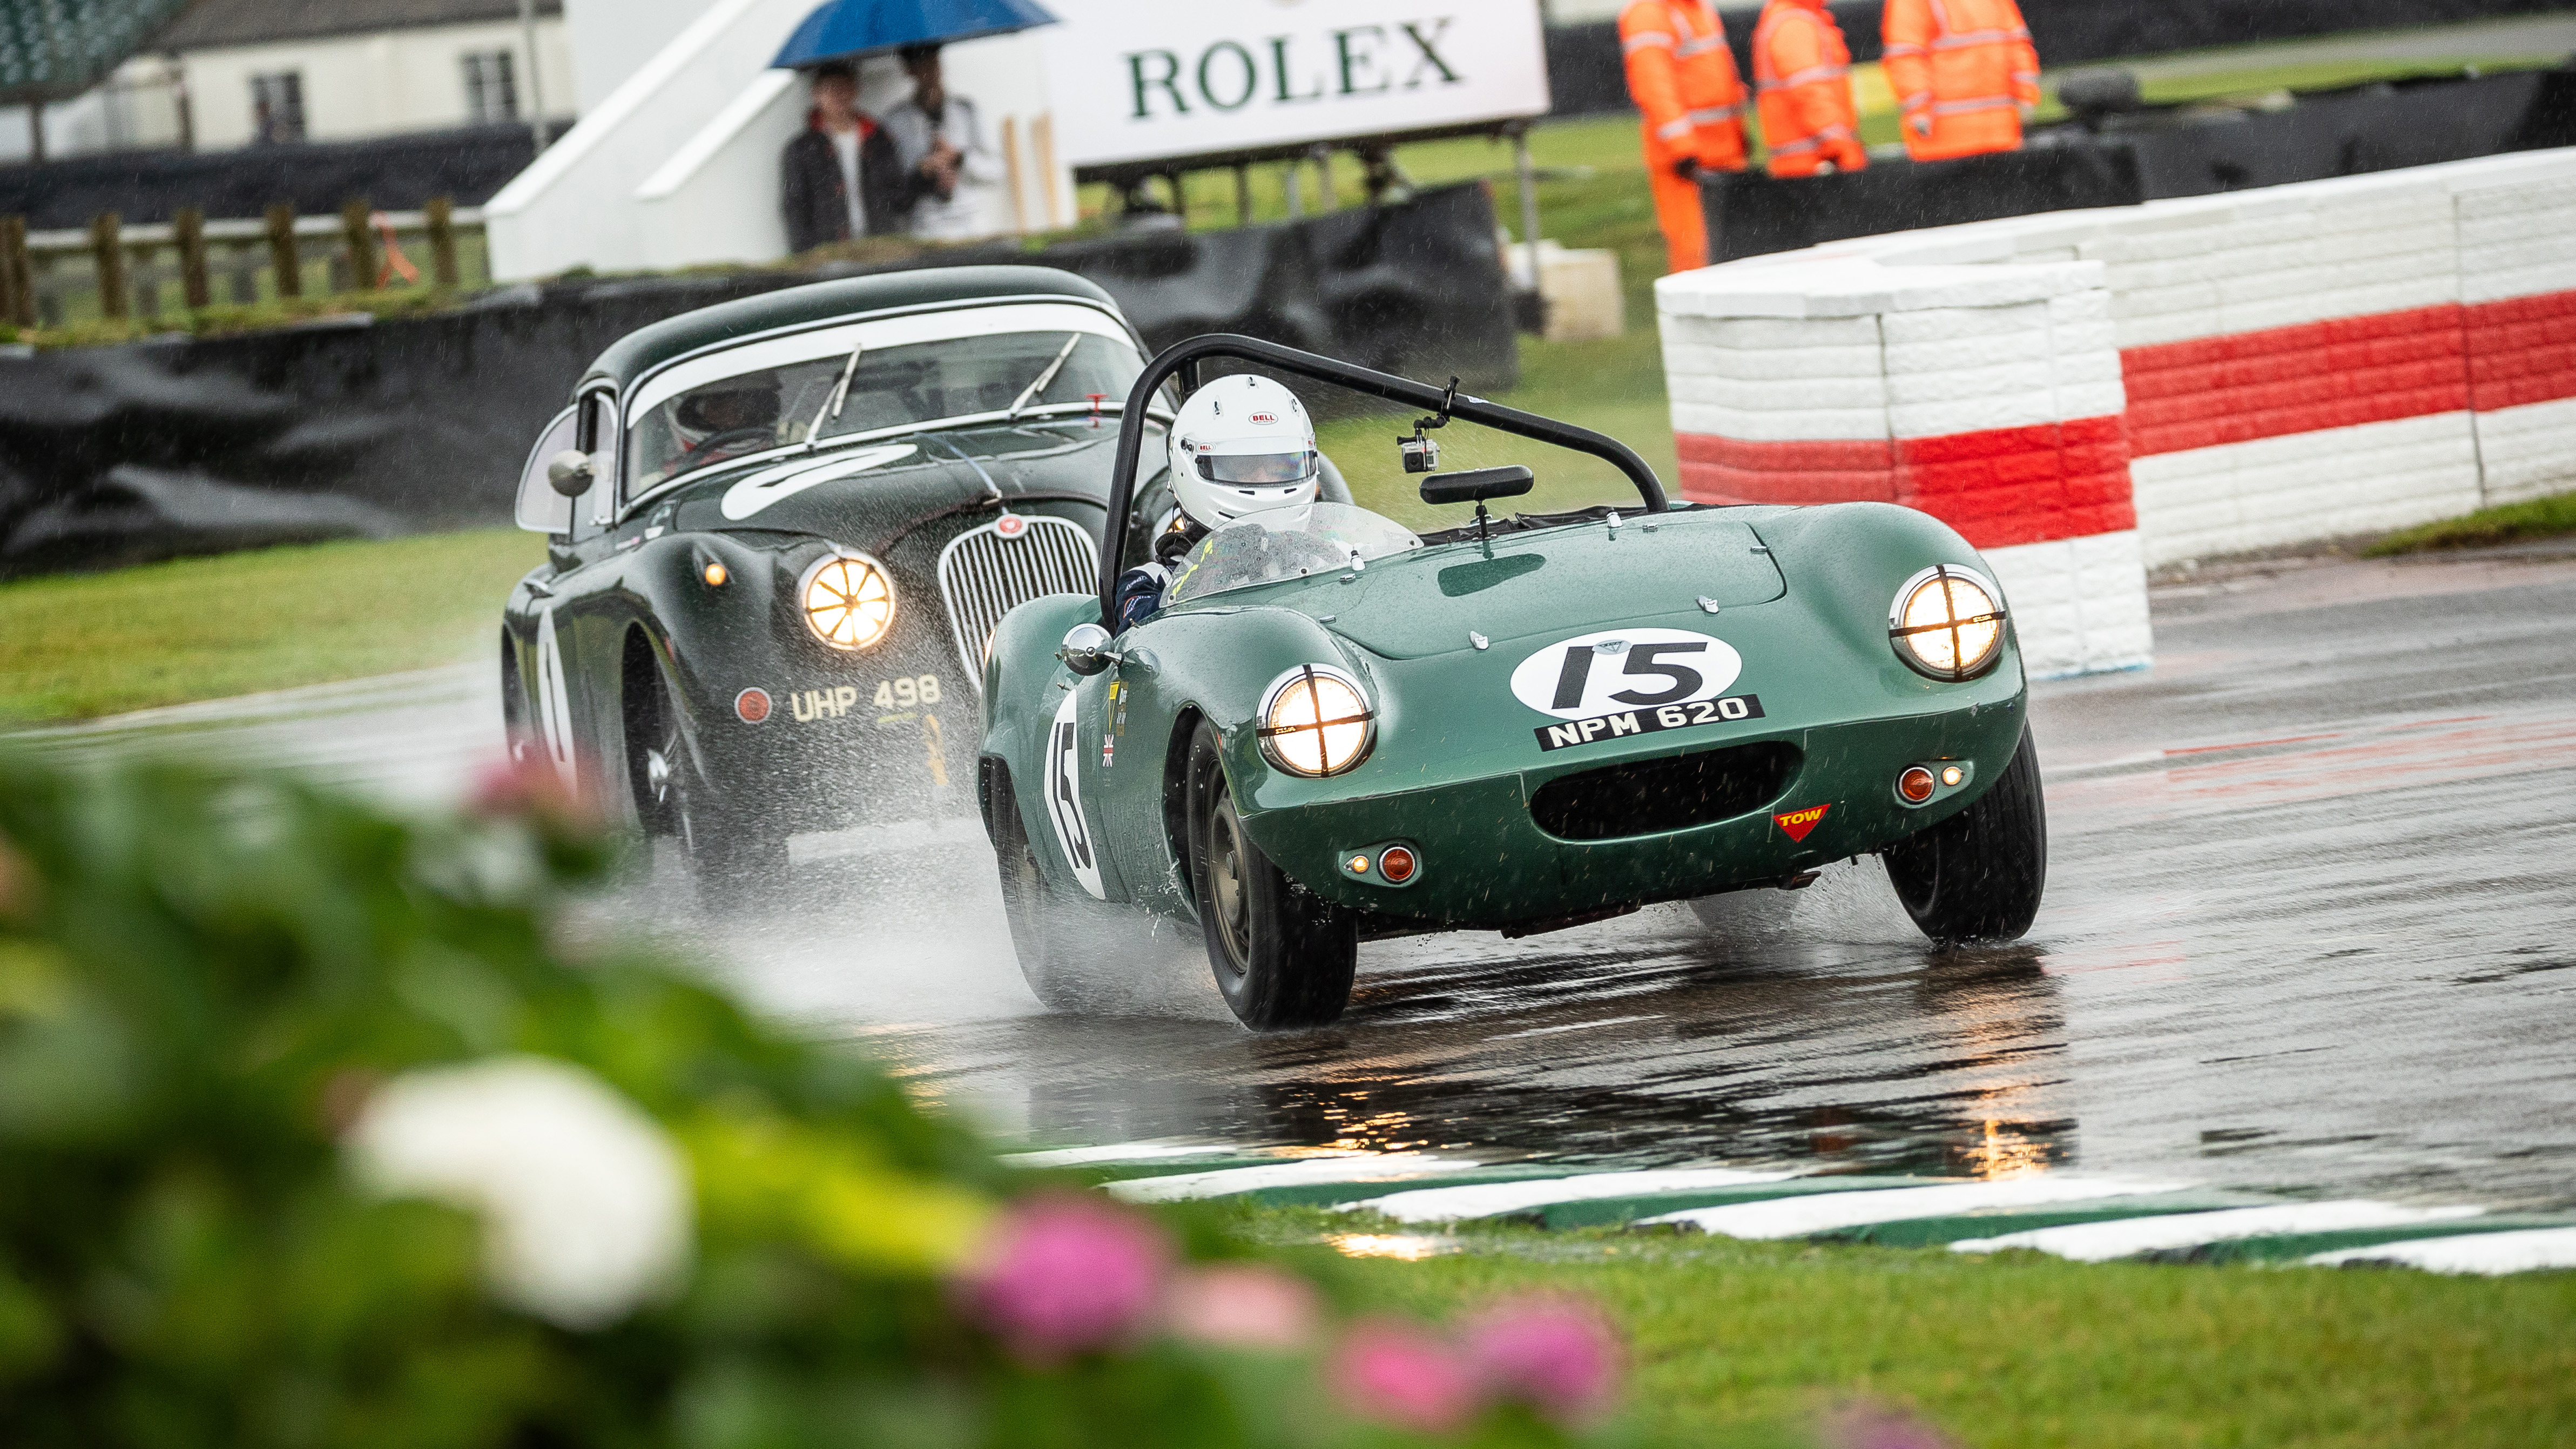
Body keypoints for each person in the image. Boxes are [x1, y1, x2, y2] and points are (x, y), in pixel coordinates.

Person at [1113, 375, 1325, 633]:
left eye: (1279, 466)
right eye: (1244, 467)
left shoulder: (1327, 559)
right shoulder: (1151, 580)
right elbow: (1136, 634)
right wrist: (1208, 572)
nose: (1264, 480)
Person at [1618, 0, 1750, 275]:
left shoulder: (1698, 9)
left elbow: (1722, 76)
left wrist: (1740, 133)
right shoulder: (1649, 13)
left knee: (1733, 256)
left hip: (1723, 155)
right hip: (1687, 163)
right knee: (1695, 254)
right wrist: (1681, 147)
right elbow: (1654, 84)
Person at [780, 61, 924, 253]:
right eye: (830, 88)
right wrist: (807, 254)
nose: (838, 95)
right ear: (816, 95)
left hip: (879, 245)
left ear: (855, 89)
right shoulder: (801, 149)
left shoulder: (878, 139)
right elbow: (795, 206)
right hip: (831, 251)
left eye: (844, 86)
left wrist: (924, 176)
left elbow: (898, 195)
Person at [1881, 0, 2041, 164]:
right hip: (1954, 141)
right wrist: (2026, 96)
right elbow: (1906, 56)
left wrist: (1918, 111)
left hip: (1976, 138)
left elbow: (1905, 56)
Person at [881, 44, 1007, 241]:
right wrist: (923, 173)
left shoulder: (966, 111)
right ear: (909, 70)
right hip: (924, 230)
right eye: (921, 64)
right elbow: (893, 189)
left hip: (972, 225)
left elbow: (997, 171)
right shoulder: (895, 121)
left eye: (933, 62)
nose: (930, 71)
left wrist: (959, 159)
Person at [1753, 0, 1867, 178]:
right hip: (1814, 166)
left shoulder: (1793, 18)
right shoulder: (1794, 24)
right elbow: (1808, 90)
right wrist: (1838, 143)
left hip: (1808, 164)